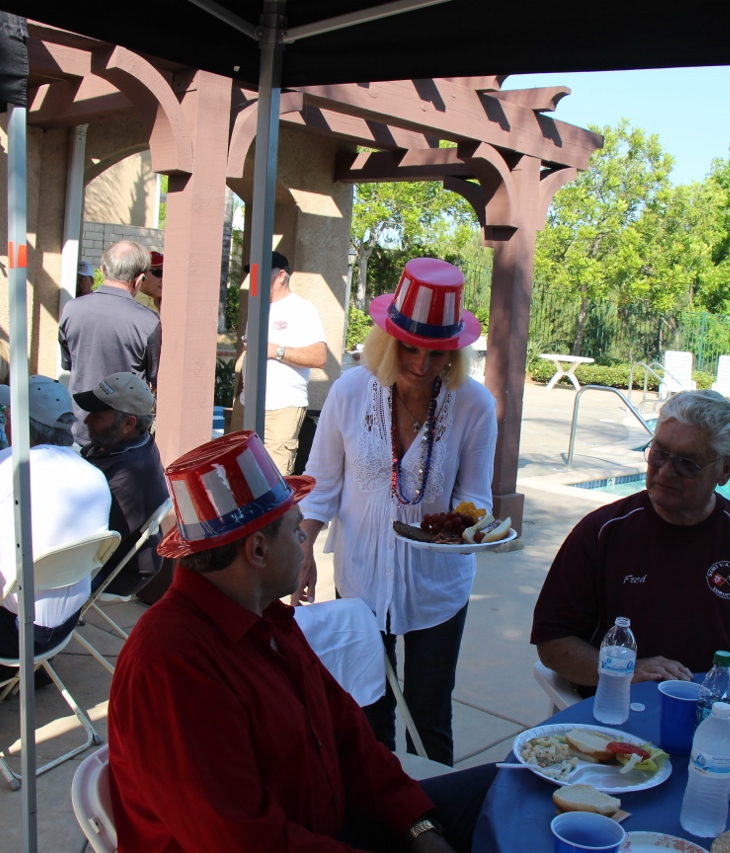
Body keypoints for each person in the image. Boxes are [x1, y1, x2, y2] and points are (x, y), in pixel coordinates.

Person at [108, 430, 493, 852]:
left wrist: (419, 826)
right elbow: (246, 842)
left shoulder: (265, 615)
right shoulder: (171, 665)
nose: (304, 540)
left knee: (505, 787)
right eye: (297, 531)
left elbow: (349, 735)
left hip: (326, 825)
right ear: (258, 551)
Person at [298, 257, 496, 766]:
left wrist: (466, 527)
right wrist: (304, 547)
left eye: (438, 353)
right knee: (366, 716)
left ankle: (435, 807)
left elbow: (477, 498)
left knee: (429, 718)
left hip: (438, 589)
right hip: (360, 578)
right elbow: (320, 485)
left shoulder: (474, 405)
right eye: (410, 347)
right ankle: (377, 808)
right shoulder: (348, 392)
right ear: (388, 341)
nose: (423, 365)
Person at [531, 389, 730, 692]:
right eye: (659, 453)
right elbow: (553, 641)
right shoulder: (602, 533)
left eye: (687, 462)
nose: (666, 471)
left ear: (725, 469)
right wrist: (625, 670)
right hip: (621, 708)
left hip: (724, 710)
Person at [0, 375, 111, 723]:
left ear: (24, 424)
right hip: (62, 626)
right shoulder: (92, 473)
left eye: (10, 414)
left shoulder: (15, 462)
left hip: (8, 630)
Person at [58, 240, 161, 445]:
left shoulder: (71, 309)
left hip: (81, 425)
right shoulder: (148, 321)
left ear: (103, 269)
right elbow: (155, 379)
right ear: (139, 279)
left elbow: (68, 363)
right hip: (124, 432)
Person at [76, 371, 168, 597]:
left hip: (115, 569)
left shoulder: (127, 477)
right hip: (101, 554)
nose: (87, 420)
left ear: (129, 423)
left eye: (97, 416)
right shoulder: (122, 442)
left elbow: (86, 543)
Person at [235, 251, 327, 475]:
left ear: (281, 275)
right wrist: (240, 395)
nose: (254, 280)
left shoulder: (302, 309)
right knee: (245, 475)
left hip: (282, 407)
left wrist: (277, 350)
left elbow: (320, 357)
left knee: (274, 476)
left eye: (260, 274)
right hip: (249, 404)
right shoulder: (257, 309)